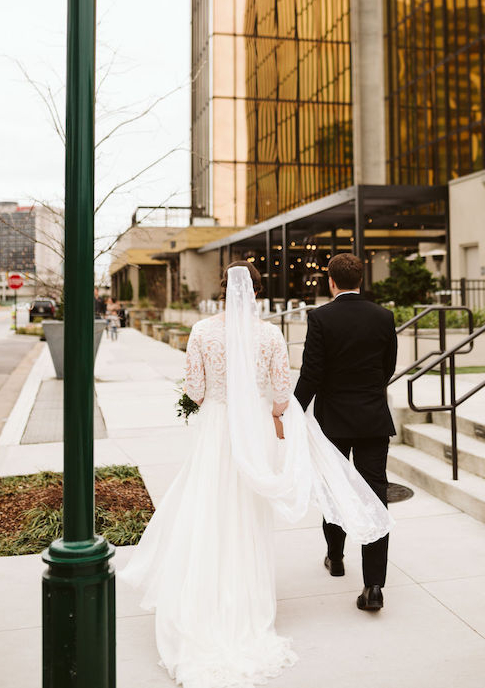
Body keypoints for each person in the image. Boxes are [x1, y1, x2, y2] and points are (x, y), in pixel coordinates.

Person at [120, 262, 391, 688]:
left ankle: (208, 595)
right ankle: (258, 598)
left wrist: (210, 398)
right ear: (258, 294)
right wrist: (278, 415)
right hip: (260, 432)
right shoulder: (269, 334)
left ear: (223, 291)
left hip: (217, 432)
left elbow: (195, 390)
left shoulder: (202, 331)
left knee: (210, 504)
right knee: (250, 512)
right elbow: (282, 393)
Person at [294, 252, 398, 612]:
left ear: (331, 282)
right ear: (361, 280)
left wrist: (292, 410)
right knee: (375, 493)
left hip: (334, 421)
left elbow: (312, 373)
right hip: (372, 419)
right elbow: (388, 367)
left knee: (334, 489)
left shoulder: (320, 317)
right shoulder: (383, 317)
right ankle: (373, 586)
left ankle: (335, 558)